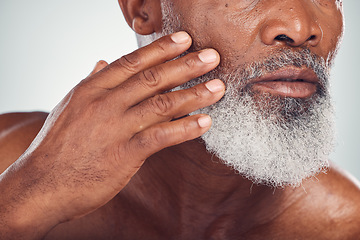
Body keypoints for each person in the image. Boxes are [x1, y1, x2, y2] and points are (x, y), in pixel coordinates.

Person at [0, 0, 359, 239]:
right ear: (144, 8)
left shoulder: (347, 226)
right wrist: (23, 202)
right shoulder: (9, 167)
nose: (301, 27)